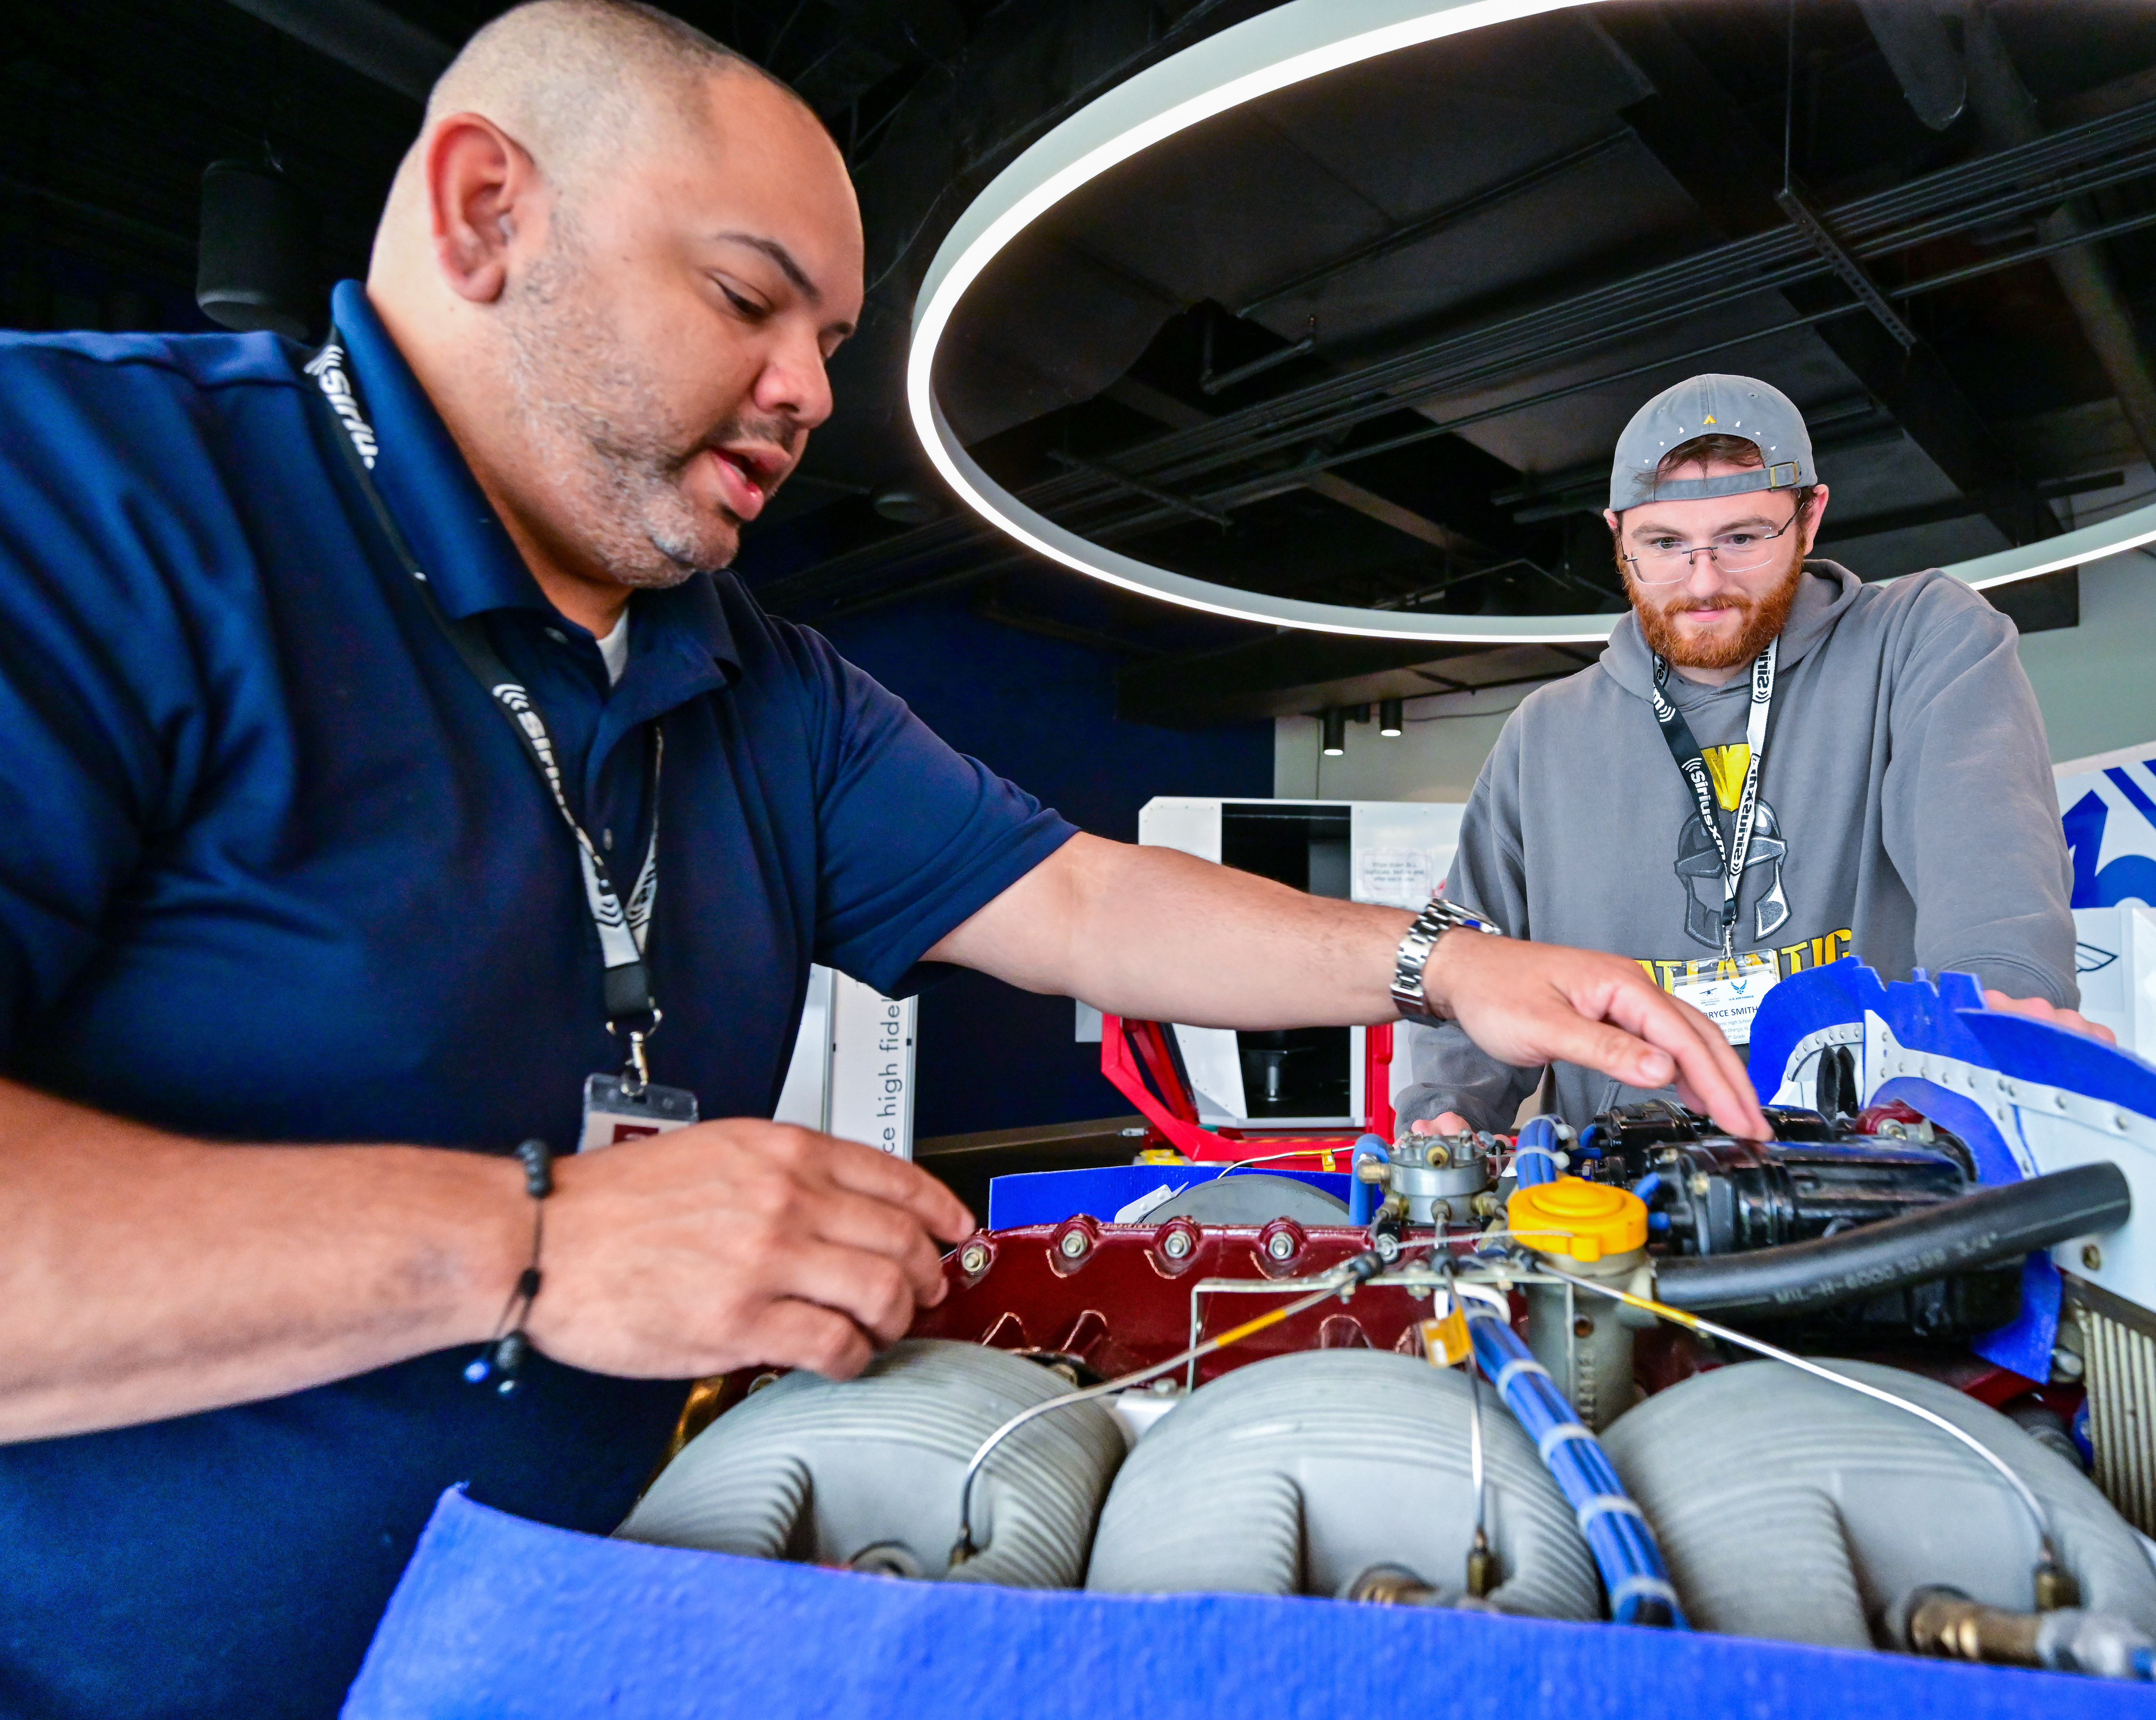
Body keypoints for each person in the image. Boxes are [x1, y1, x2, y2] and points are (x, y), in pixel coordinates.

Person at [0, 7, 1762, 1714]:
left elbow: (1076, 895)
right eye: (748, 299)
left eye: (831, 341)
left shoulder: (750, 669)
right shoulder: (78, 490)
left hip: (594, 1631)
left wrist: (1448, 963)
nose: (801, 395)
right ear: (484, 213)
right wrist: (525, 1241)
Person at [1400, 373, 2106, 1138]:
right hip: (1624, 1192)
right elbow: (1474, 957)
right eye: (1665, 545)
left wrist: (1998, 1014)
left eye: (1742, 538)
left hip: (1885, 1165)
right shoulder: (1543, 734)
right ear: (1616, 536)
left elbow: (1988, 856)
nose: (1704, 583)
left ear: (1809, 519)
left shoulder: (1921, 638)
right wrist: (1448, 1113)